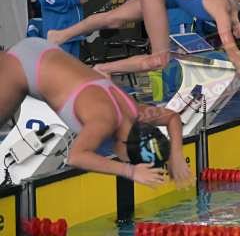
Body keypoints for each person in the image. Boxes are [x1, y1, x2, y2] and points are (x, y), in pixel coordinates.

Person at [47, 0, 240, 109]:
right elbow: (233, 51)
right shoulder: (222, 10)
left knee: (112, 19)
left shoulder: (238, 11)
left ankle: (59, 36)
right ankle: (103, 68)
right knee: (160, 59)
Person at [1, 38, 191, 186]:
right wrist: (131, 172)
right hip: (22, 66)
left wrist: (176, 155)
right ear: (126, 149)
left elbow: (172, 117)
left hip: (42, 50)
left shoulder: (135, 113)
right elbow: (76, 157)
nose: (123, 160)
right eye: (130, 161)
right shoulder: (104, 120)